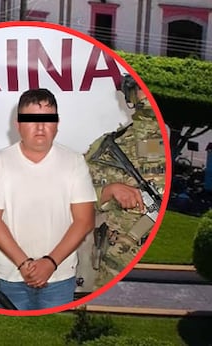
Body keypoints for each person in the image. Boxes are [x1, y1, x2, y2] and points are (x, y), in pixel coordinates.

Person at [0, 88, 97, 311]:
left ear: (57, 123)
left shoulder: (74, 162)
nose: (40, 127)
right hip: (9, 276)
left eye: (47, 119)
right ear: (18, 125)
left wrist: (49, 263)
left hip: (59, 276)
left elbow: (85, 221)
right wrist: (24, 264)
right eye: (32, 119)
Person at [80, 73, 166, 293]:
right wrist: (108, 191)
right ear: (130, 95)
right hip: (117, 258)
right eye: (140, 88)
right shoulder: (109, 145)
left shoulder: (170, 140)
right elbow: (75, 195)